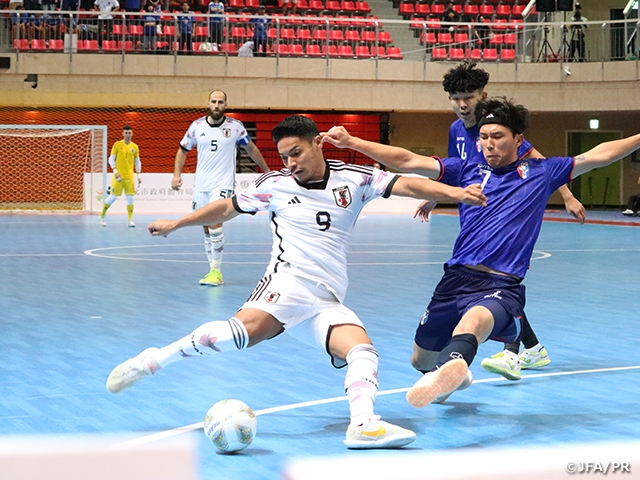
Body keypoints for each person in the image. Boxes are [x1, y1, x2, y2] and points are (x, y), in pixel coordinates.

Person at [106, 115, 486, 449]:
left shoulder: (356, 179)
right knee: (235, 336)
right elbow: (226, 207)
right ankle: (152, 361)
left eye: (297, 153)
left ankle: (363, 426)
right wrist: (177, 223)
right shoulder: (275, 184)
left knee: (362, 352)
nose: (290, 163)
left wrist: (454, 193)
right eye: (285, 156)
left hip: (327, 299)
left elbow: (409, 184)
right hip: (288, 284)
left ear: (318, 143)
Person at [321, 97, 640, 407]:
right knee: (420, 359)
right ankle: (452, 373)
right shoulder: (466, 171)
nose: (489, 144)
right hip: (455, 281)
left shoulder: (542, 173)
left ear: (518, 139)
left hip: (502, 285)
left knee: (472, 324)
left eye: (498, 137)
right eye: (484, 137)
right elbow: (407, 160)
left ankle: (456, 364)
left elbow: (600, 155)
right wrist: (352, 140)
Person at [414, 61, 587, 381]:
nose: (462, 104)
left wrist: (566, 195)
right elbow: (456, 168)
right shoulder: (457, 130)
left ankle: (513, 354)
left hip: (507, 217)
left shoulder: (500, 128)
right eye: (455, 97)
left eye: (468, 96)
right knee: (488, 287)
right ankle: (533, 348)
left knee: (500, 283)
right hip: (473, 217)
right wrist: (439, 195)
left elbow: (541, 163)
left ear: (483, 94)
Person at [172, 90, 270, 286]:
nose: (217, 105)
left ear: (226, 105)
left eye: (221, 102)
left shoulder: (235, 127)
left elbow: (251, 148)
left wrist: (266, 171)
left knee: (215, 223)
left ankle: (216, 272)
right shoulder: (196, 126)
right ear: (208, 104)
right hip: (201, 185)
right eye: (213, 102)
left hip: (222, 184)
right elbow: (183, 150)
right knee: (206, 227)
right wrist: (176, 174)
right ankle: (212, 270)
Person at [100, 126, 142, 227]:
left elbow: (137, 161)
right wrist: (115, 171)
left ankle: (130, 220)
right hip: (118, 176)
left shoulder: (135, 147)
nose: (128, 135)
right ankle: (102, 216)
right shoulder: (117, 145)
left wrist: (138, 174)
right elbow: (111, 159)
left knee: (130, 198)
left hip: (129, 177)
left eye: (129, 133)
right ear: (123, 134)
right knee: (113, 197)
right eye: (126, 133)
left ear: (132, 134)